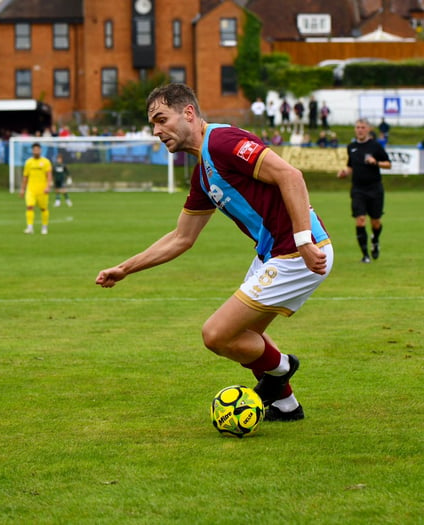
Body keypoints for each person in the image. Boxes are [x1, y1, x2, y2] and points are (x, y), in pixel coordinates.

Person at [95, 83, 333, 422]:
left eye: (161, 119)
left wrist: (303, 241)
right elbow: (181, 237)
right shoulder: (203, 176)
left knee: (217, 334)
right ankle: (286, 406)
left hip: (296, 252)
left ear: (188, 113)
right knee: (243, 336)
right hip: (275, 253)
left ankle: (281, 368)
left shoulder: (222, 142)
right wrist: (125, 268)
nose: (156, 131)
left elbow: (290, 175)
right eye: (152, 124)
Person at [337, 118, 391, 263]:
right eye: (358, 127)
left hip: (375, 189)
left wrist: (376, 162)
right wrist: (344, 172)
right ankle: (365, 255)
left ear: (368, 129)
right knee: (360, 220)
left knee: (375, 222)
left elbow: (388, 164)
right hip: (358, 189)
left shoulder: (375, 146)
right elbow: (350, 166)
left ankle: (375, 240)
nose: (360, 130)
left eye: (362, 127)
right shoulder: (351, 147)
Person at [20, 142, 52, 234]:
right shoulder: (28, 162)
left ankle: (44, 227)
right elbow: (25, 177)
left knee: (44, 209)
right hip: (31, 189)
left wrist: (48, 186)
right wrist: (23, 189)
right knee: (29, 207)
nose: (36, 151)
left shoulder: (46, 162)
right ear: (32, 151)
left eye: (38, 149)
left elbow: (49, 176)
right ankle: (30, 227)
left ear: (41, 150)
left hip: (42, 190)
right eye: (34, 150)